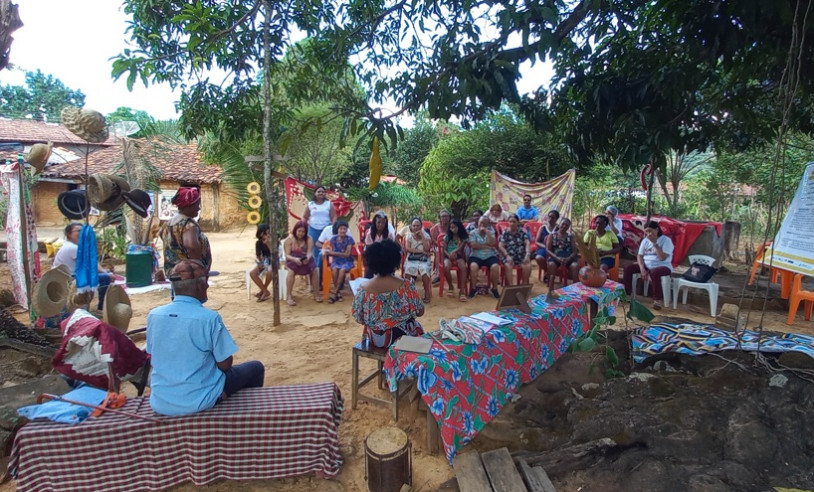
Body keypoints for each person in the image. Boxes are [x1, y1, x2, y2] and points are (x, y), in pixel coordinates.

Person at [146, 259, 265, 416]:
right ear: (200, 286)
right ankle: (246, 418)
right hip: (198, 401)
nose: (208, 286)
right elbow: (225, 365)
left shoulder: (154, 315)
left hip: (161, 401)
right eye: (206, 282)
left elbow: (154, 353)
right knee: (256, 368)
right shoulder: (209, 318)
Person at [352, 240, 425, 348]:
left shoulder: (363, 289)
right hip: (401, 340)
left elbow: (358, 317)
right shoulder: (406, 286)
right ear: (395, 261)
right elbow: (420, 312)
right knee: (416, 326)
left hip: (375, 340)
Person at [52, 222, 113, 313]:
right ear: (69, 234)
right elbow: (91, 265)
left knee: (106, 273)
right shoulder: (73, 248)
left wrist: (105, 271)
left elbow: (91, 263)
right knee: (106, 278)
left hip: (71, 276)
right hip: (71, 279)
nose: (82, 233)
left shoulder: (71, 246)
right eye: (78, 231)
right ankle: (101, 308)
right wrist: (106, 273)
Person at [623, 221, 674, 310]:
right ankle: (627, 294)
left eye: (650, 231)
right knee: (628, 268)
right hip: (647, 265)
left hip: (663, 266)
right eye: (646, 231)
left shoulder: (666, 240)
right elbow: (640, 256)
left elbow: (662, 258)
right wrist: (642, 268)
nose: (648, 234)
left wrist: (655, 244)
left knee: (654, 272)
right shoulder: (645, 240)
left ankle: (657, 300)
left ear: (657, 229)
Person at [161, 187, 212, 276]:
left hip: (174, 275)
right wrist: (197, 268)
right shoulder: (188, 225)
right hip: (189, 276)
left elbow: (164, 238)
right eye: (197, 204)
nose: (199, 208)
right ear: (189, 205)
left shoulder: (168, 224)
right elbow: (191, 246)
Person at [283, 221, 319, 305]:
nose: (301, 233)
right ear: (295, 230)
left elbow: (310, 252)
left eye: (303, 232)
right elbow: (287, 255)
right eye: (299, 231)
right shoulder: (289, 240)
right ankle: (289, 295)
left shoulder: (309, 239)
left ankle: (316, 293)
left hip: (305, 259)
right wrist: (295, 259)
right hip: (292, 260)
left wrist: (307, 258)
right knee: (291, 272)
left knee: (314, 270)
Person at [302, 185, 337, 264]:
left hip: (326, 229)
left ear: (325, 194)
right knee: (313, 248)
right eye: (319, 191)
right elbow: (304, 217)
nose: (321, 193)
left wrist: (333, 227)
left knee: (326, 248)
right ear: (315, 193)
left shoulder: (329, 204)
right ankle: (316, 268)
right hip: (313, 229)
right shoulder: (310, 204)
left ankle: (325, 268)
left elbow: (334, 216)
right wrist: (303, 226)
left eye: (323, 192)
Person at [468, 216, 501, 299]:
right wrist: (487, 246)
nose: (481, 224)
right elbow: (474, 245)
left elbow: (492, 243)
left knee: (495, 267)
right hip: (476, 255)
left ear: (487, 224)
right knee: (473, 266)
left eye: (484, 223)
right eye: (480, 222)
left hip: (490, 255)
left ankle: (494, 289)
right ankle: (473, 288)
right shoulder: (473, 233)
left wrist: (487, 232)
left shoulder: (490, 232)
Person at [403, 217, 433, 303]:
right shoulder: (409, 235)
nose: (416, 228)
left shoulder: (426, 235)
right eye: (414, 226)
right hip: (412, 257)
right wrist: (420, 251)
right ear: (411, 226)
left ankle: (427, 293)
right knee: (408, 270)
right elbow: (408, 248)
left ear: (421, 226)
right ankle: (408, 294)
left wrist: (422, 236)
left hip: (424, 259)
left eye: (418, 226)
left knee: (425, 270)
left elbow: (427, 249)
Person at [545, 218, 579, 290]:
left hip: (568, 258)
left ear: (568, 227)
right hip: (555, 258)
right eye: (563, 224)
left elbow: (574, 251)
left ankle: (576, 289)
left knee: (575, 266)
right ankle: (551, 288)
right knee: (551, 265)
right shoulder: (552, 235)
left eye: (566, 225)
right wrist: (557, 258)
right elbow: (548, 249)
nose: (564, 226)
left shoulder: (571, 236)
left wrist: (569, 258)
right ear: (559, 224)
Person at [498, 214, 532, 286]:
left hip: (521, 255)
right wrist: (507, 256)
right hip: (509, 255)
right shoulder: (505, 233)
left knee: (528, 265)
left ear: (518, 222)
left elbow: (527, 243)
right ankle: (511, 286)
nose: (512, 224)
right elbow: (501, 246)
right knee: (508, 265)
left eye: (514, 222)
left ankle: (524, 285)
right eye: (510, 222)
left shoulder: (522, 232)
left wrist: (527, 255)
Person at [327, 220, 355, 303]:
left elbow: (347, 254)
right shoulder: (333, 239)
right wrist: (331, 253)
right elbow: (329, 252)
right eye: (341, 229)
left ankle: (334, 293)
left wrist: (333, 253)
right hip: (336, 261)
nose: (343, 231)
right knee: (334, 269)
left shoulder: (349, 239)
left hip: (347, 261)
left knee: (342, 270)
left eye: (344, 229)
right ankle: (338, 293)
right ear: (337, 229)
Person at [442, 219, 470, 301]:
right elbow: (443, 249)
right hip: (448, 255)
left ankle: (462, 291)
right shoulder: (447, 237)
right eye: (451, 227)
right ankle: (450, 286)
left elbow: (461, 247)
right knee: (446, 267)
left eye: (454, 227)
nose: (452, 229)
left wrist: (454, 252)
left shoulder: (463, 237)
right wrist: (449, 255)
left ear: (459, 227)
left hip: (458, 255)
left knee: (463, 267)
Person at [248, 223, 273, 302]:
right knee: (252, 273)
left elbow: (275, 254)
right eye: (266, 232)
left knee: (270, 271)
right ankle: (265, 291)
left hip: (274, 261)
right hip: (264, 261)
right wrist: (260, 263)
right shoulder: (258, 243)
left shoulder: (273, 240)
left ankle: (264, 291)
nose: (267, 234)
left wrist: (268, 243)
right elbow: (258, 256)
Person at [534, 210, 560, 275]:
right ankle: (548, 272)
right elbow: (537, 241)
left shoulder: (559, 229)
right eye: (549, 217)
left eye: (553, 218)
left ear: (556, 219)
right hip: (544, 248)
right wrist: (545, 246)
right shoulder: (542, 228)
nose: (550, 219)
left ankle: (550, 273)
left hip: (555, 249)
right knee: (538, 258)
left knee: (558, 259)